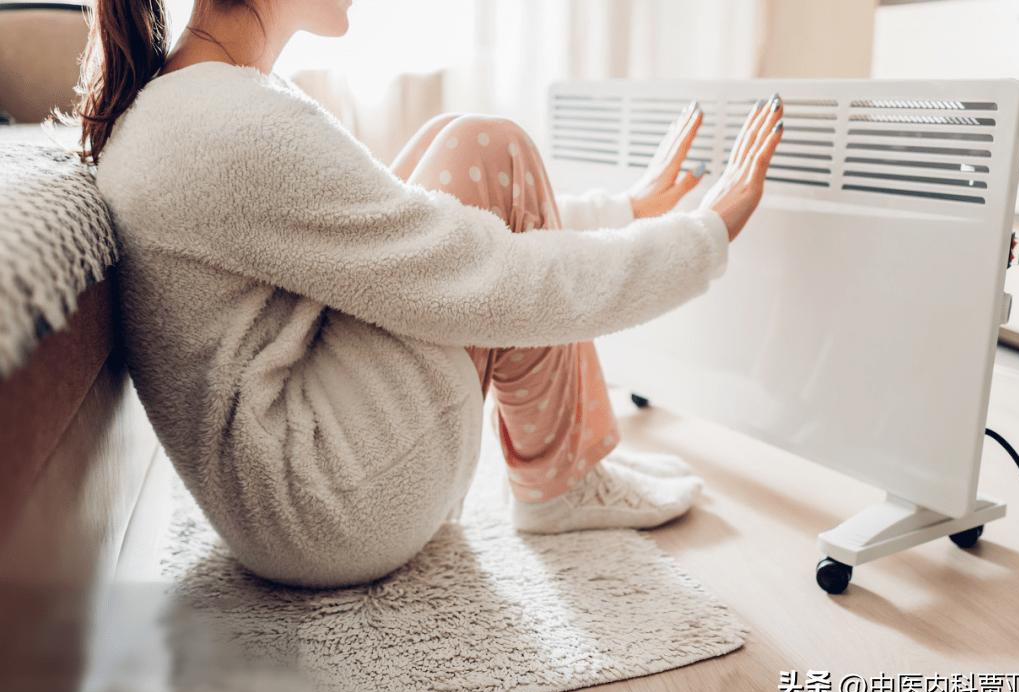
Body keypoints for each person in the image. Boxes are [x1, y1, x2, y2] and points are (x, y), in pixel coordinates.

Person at [83, 0, 784, 588]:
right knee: (489, 146)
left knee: (459, 146)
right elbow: (484, 279)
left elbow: (402, 236)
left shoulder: (193, 102)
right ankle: (561, 479)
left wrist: (624, 211)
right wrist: (702, 238)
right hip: (333, 507)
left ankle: (566, 462)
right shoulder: (235, 124)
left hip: (280, 501)